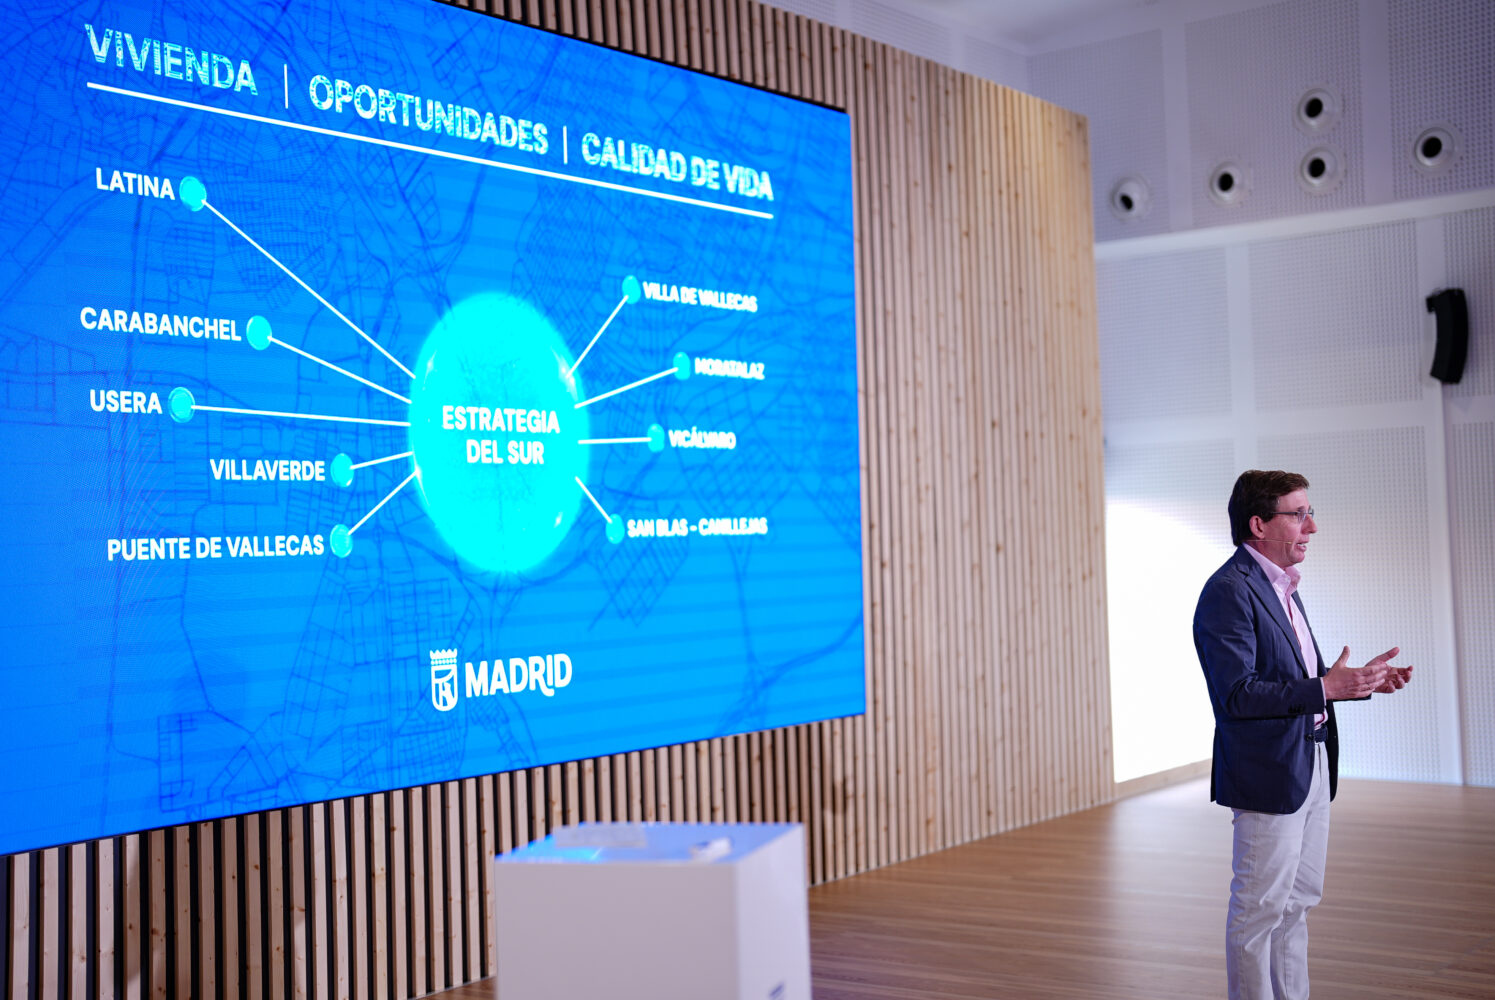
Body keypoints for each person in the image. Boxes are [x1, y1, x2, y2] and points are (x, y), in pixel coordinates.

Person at [1193, 469, 1413, 1000]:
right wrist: (1324, 688)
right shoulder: (1229, 592)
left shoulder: (1284, 587)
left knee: (1297, 905)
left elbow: (1297, 679)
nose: (1311, 527)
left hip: (1311, 762)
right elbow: (1237, 695)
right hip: (1269, 774)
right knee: (1259, 913)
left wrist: (1356, 684)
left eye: (1309, 513)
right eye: (1298, 515)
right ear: (1258, 524)